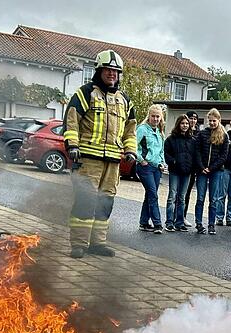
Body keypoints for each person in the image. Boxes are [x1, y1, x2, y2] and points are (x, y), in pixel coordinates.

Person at [63, 49, 136, 259]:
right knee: (85, 201)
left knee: (106, 203)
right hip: (87, 160)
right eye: (108, 70)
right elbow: (72, 121)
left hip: (113, 162)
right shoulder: (85, 93)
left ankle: (98, 243)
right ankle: (79, 244)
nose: (112, 74)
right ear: (99, 71)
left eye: (115, 71)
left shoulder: (124, 100)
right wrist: (73, 146)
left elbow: (130, 129)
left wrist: (130, 149)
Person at [194, 108, 229, 235]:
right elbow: (197, 151)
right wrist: (202, 166)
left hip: (216, 171)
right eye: (210, 121)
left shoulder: (224, 136)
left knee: (213, 199)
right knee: (200, 198)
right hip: (202, 170)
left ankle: (211, 224)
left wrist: (211, 167)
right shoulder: (202, 134)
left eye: (214, 121)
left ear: (219, 120)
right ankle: (198, 223)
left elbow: (223, 156)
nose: (212, 123)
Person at [136, 105, 167, 234]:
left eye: (157, 116)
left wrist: (162, 163)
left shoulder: (160, 133)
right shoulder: (142, 129)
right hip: (145, 167)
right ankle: (157, 223)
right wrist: (140, 159)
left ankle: (143, 222)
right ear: (148, 116)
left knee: (149, 195)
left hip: (156, 168)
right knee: (153, 195)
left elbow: (161, 151)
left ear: (161, 118)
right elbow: (133, 145)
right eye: (153, 116)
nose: (155, 119)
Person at [163, 114, 196, 232]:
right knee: (172, 196)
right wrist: (174, 162)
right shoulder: (170, 139)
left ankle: (180, 222)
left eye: (187, 123)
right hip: (175, 172)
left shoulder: (192, 140)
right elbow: (166, 154)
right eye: (182, 123)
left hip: (187, 173)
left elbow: (195, 156)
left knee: (182, 198)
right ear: (178, 124)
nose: (185, 125)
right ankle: (169, 222)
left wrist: (192, 168)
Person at [215, 117, 231, 227]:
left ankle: (230, 217)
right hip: (225, 169)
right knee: (221, 194)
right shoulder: (225, 136)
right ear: (230, 125)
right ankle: (219, 217)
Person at [183, 110, 201, 223]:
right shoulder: (183, 132)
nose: (193, 121)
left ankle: (183, 216)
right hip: (183, 166)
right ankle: (176, 216)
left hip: (193, 168)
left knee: (187, 193)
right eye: (191, 118)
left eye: (195, 119)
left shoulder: (199, 133)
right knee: (179, 193)